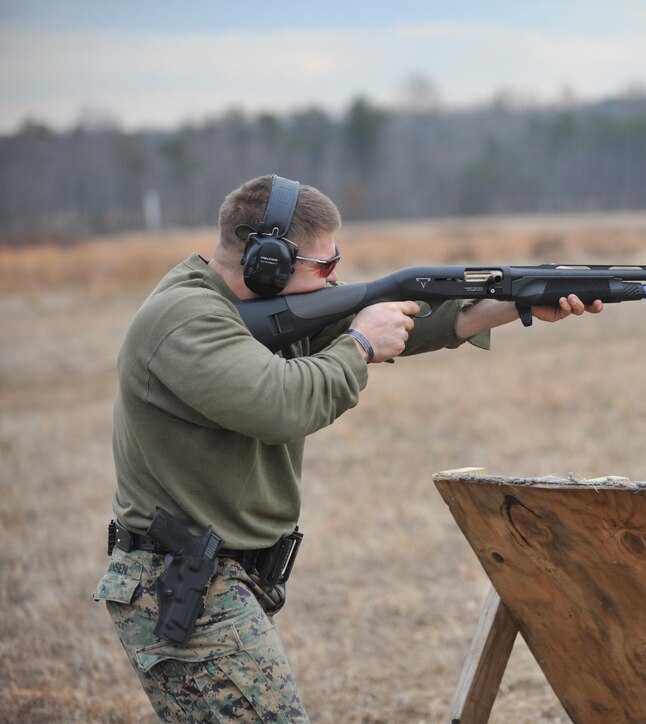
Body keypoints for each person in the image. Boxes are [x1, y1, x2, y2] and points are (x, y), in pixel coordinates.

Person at [92, 174, 602, 721]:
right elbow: (282, 405)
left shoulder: (262, 306)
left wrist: (518, 301)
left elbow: (413, 320)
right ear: (269, 261)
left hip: (220, 582)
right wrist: (359, 345)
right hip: (182, 588)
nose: (336, 279)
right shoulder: (185, 319)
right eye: (325, 267)